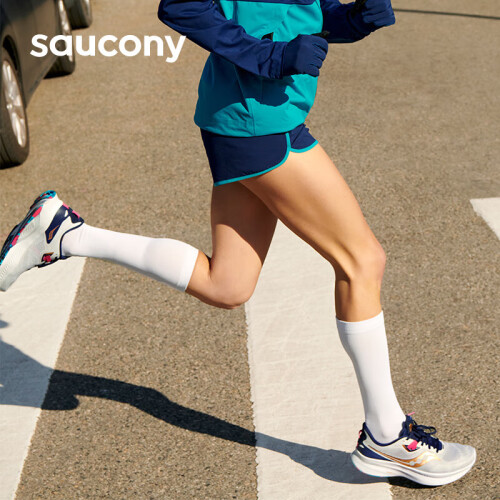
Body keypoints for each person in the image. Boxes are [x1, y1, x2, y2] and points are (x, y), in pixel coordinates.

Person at [0, 0, 475, 487]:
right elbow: (182, 7)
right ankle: (387, 434)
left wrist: (352, 19)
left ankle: (65, 233)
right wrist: (271, 57)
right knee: (362, 260)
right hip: (258, 120)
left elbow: (295, 13)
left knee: (226, 284)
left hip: (256, 115)